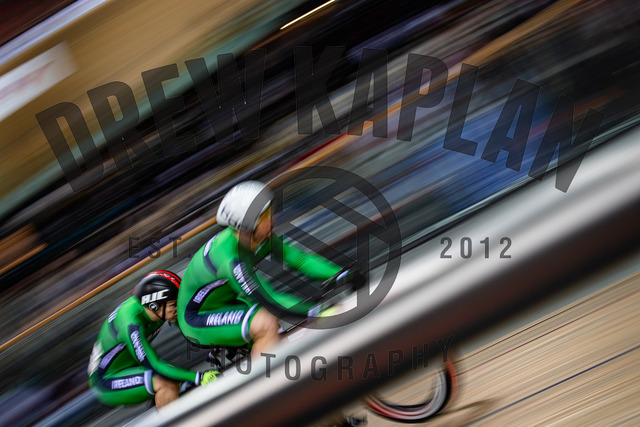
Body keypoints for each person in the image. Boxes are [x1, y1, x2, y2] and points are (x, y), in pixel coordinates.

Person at [177, 181, 365, 357]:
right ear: (247, 225)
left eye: (270, 212)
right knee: (266, 323)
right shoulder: (229, 259)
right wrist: (316, 311)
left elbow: (299, 260)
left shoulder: (259, 237)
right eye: (265, 216)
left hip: (228, 302)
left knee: (282, 339)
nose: (273, 218)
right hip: (196, 318)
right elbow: (269, 299)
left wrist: (340, 274)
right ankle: (263, 380)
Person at [88, 270, 218, 409]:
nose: (178, 309)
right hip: (106, 380)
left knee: (175, 377)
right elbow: (154, 364)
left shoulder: (160, 309)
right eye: (174, 305)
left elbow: (189, 327)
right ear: (154, 305)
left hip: (130, 366)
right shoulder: (131, 323)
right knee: (166, 382)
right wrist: (199, 377)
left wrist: (216, 344)